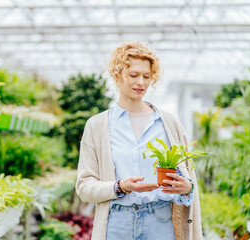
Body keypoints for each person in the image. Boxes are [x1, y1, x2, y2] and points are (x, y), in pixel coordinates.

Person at [76, 41, 202, 240]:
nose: (141, 83)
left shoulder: (168, 123)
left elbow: (188, 179)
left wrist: (187, 189)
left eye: (147, 76)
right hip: (117, 223)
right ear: (117, 75)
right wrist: (119, 186)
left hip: (161, 222)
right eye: (133, 75)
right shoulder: (97, 126)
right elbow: (84, 186)